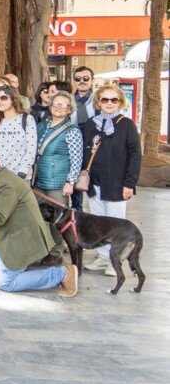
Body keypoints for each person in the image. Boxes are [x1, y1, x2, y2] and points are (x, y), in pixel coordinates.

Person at [0, 146, 77, 297]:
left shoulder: (4, 183)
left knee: (6, 284)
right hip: (17, 230)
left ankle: (62, 274)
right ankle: (6, 267)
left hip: (23, 236)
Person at [82, 84, 141, 277]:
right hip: (95, 182)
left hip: (116, 183)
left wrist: (130, 184)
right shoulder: (92, 123)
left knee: (116, 224)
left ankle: (115, 260)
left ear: (120, 102)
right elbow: (85, 151)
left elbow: (135, 156)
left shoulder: (126, 125)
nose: (109, 103)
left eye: (113, 99)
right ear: (98, 101)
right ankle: (102, 256)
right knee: (99, 222)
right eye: (105, 99)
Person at [33, 90, 82, 205]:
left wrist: (70, 182)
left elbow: (77, 160)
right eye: (56, 103)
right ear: (50, 106)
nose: (59, 107)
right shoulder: (40, 126)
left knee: (57, 219)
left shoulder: (72, 131)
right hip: (38, 182)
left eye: (64, 105)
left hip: (58, 185)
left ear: (69, 109)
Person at [0, 86, 37, 183]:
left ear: (13, 99)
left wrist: (22, 171)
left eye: (4, 98)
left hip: (21, 176)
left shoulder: (27, 119)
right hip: (0, 175)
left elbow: (31, 149)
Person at [71, 66, 97, 210]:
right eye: (78, 79)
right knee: (76, 185)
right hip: (74, 148)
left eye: (86, 78)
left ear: (92, 80)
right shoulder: (69, 100)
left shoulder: (99, 100)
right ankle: (77, 214)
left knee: (95, 187)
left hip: (94, 148)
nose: (82, 81)